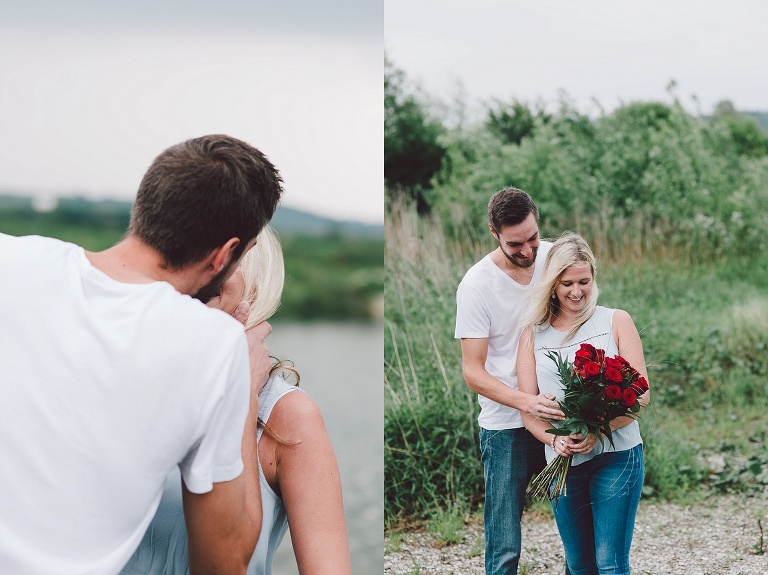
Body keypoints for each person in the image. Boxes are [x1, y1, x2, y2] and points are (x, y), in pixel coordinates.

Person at [0, 134, 283, 575]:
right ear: (224, 255)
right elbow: (223, 562)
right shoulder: (213, 345)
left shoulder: (12, 258)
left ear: (145, 208)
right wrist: (245, 390)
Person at [121, 226, 352, 574]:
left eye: (228, 255)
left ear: (259, 284)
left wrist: (241, 393)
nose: (203, 265)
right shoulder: (127, 385)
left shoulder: (289, 416)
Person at [517, 233, 650, 575]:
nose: (576, 291)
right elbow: (528, 410)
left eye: (584, 281)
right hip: (564, 464)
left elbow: (643, 395)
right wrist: (554, 439)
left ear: (593, 276)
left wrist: (598, 430)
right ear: (552, 284)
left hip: (616, 457)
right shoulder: (532, 333)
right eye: (566, 284)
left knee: (610, 564)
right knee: (579, 565)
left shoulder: (615, 320)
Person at [455, 187, 565, 575]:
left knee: (579, 525)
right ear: (493, 232)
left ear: (538, 219)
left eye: (533, 237)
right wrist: (525, 402)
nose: (528, 251)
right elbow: (473, 371)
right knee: (503, 542)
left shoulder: (556, 257)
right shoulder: (476, 285)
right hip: (506, 427)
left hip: (562, 414)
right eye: (515, 244)